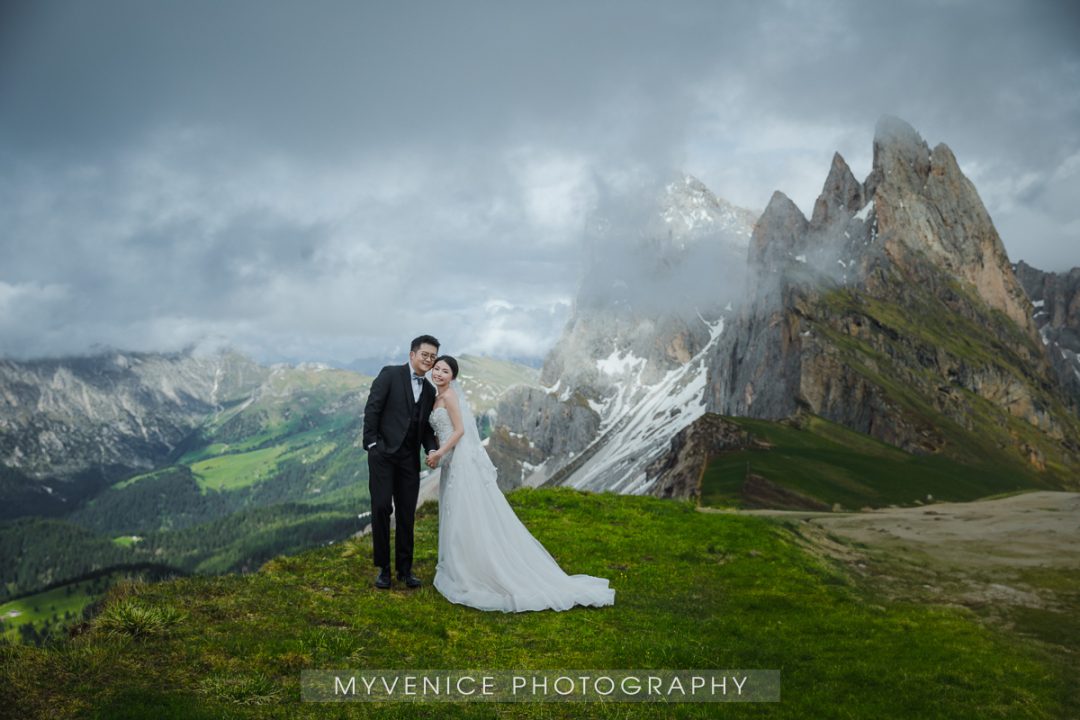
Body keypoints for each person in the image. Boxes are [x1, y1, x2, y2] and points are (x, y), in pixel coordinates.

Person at [426, 355, 615, 612]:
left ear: (453, 377)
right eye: (436, 369)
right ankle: (462, 564)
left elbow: (459, 431)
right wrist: (439, 455)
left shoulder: (448, 397)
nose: (438, 373)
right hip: (450, 461)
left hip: (458, 460)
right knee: (456, 512)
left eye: (444, 371)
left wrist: (439, 453)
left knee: (464, 513)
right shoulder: (437, 397)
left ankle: (472, 569)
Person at [362, 335, 440, 590]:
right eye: (425, 354)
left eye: (432, 356)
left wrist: (431, 449)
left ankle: (405, 570)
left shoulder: (429, 391)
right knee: (382, 508)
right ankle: (383, 569)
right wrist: (372, 444)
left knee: (407, 514)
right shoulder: (390, 374)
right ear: (412, 355)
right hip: (383, 456)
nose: (428, 359)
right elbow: (373, 408)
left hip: (409, 460)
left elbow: (426, 427)